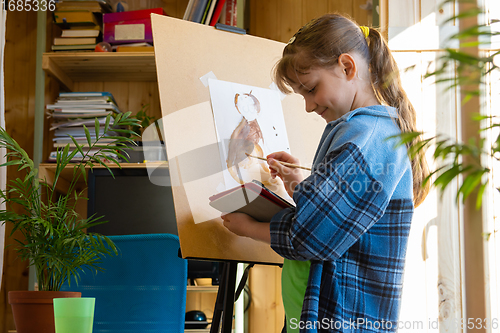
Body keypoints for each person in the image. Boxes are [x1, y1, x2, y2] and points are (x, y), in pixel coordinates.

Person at [221, 13, 430, 333]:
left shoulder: (367, 137)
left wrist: (249, 227)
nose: (307, 106)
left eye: (311, 89)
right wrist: (300, 185)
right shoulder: (363, 131)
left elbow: (311, 237)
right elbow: (341, 213)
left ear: (348, 67)